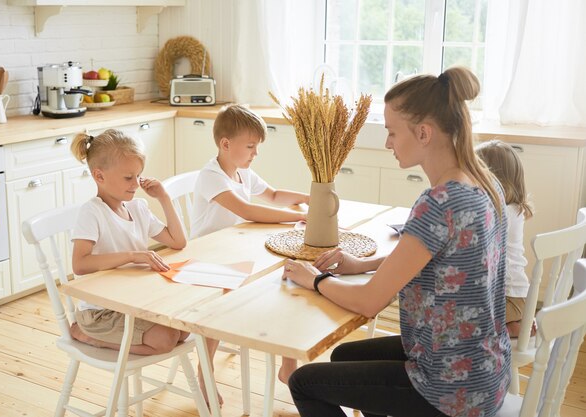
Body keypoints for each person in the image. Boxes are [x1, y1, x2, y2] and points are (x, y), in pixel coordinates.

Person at [283, 67, 512, 417]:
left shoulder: (439, 201)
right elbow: (432, 258)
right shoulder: (484, 183)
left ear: (423, 133)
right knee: (345, 355)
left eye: (391, 132)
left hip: (450, 387)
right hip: (485, 370)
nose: (387, 143)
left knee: (303, 381)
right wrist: (361, 265)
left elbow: (369, 302)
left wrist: (314, 279)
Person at [67, 129, 221, 403]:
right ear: (99, 176)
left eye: (138, 175)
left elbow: (177, 241)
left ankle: (194, 367)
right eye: (128, 177)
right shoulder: (92, 212)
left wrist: (163, 198)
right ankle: (90, 337)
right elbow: (79, 264)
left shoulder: (137, 208)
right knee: (165, 340)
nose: (136, 183)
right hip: (101, 313)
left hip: (134, 303)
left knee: (188, 328)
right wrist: (132, 255)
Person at [191, 103, 310, 384]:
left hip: (235, 251)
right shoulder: (211, 177)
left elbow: (274, 195)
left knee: (287, 281)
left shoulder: (243, 172)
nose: (255, 154)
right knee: (219, 305)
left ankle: (288, 365)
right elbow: (248, 211)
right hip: (207, 259)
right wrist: (300, 215)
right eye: (251, 147)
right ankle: (203, 375)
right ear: (225, 144)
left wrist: (309, 197)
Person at [476, 139, 534, 337]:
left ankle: (511, 329)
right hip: (517, 297)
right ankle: (517, 324)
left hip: (508, 298)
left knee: (469, 324)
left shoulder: (501, 213)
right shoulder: (515, 209)